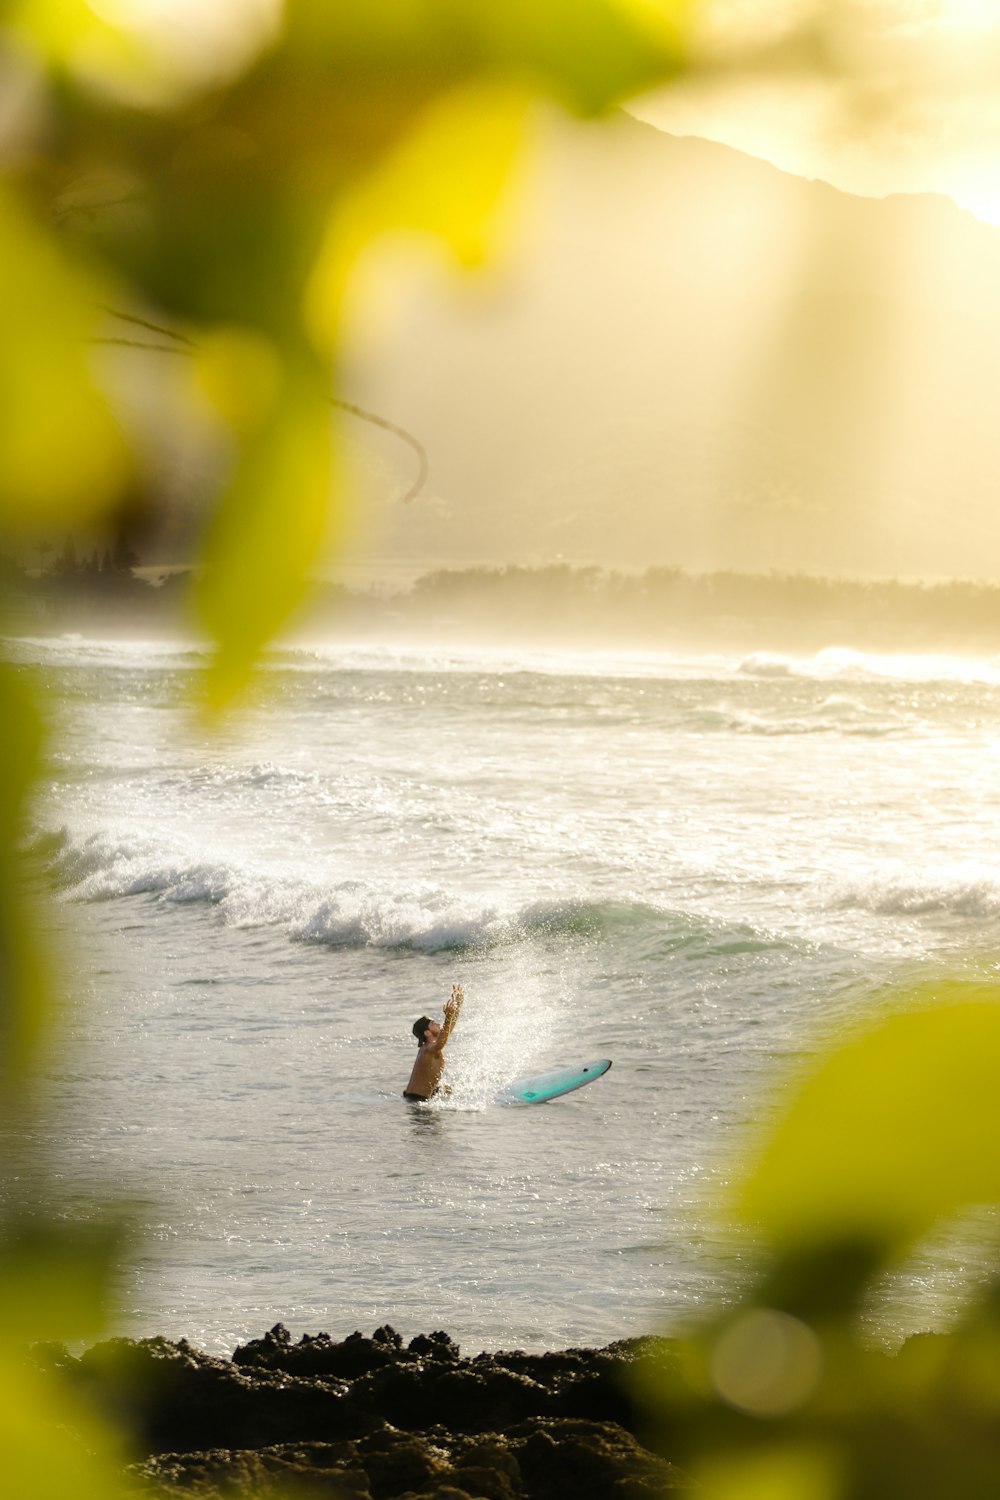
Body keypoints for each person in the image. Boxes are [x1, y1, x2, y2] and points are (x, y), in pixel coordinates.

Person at [404, 984, 464, 1100]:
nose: (437, 1024)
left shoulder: (427, 1046)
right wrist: (448, 1017)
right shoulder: (430, 1047)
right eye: (432, 1023)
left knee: (448, 1089)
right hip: (418, 1101)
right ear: (427, 1033)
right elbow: (442, 1040)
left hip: (413, 1096)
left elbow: (446, 1032)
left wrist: (457, 1006)